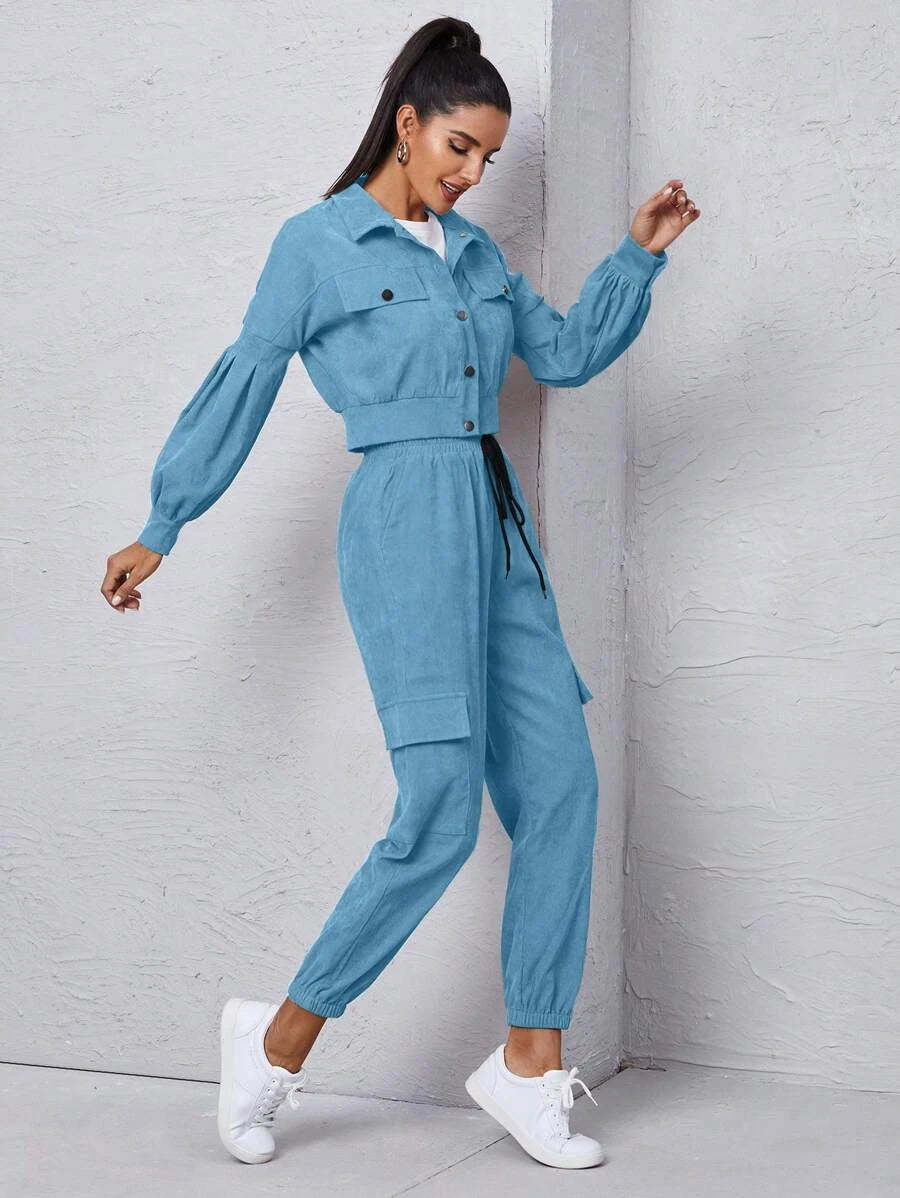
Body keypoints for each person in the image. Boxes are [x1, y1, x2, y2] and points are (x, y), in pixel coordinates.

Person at [100, 15, 698, 1172]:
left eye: (488, 157)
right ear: (409, 124)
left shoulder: (475, 257)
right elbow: (245, 378)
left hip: (498, 533)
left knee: (563, 788)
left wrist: (639, 256)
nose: (471, 174)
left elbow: (562, 356)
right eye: (459, 147)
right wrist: (163, 522)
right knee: (436, 817)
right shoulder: (316, 243)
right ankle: (276, 1040)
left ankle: (528, 1062)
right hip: (403, 528)